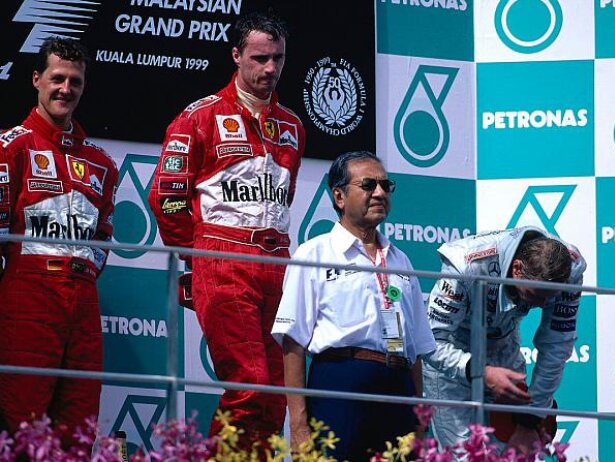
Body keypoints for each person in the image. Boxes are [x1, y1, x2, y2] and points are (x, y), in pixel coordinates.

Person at [147, 11, 305, 444]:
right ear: (236, 56)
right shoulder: (200, 117)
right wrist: (199, 257)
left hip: (278, 262)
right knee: (250, 383)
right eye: (259, 58)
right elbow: (166, 196)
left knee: (277, 396)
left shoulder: (292, 125)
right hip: (223, 257)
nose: (270, 69)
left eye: (278, 58)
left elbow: (283, 198)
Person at [272, 151, 436, 461]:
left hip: (397, 386)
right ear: (339, 196)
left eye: (386, 186)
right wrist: (298, 422)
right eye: (369, 185)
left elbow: (414, 349)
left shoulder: (402, 261)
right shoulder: (314, 254)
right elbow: (292, 342)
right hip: (340, 383)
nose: (379, 193)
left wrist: (419, 417)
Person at [0, 37, 118, 439]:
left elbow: (104, 234)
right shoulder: (11, 147)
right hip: (25, 301)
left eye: (75, 81)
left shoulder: (101, 164)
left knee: (78, 425)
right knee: (22, 425)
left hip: (83, 304)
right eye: (57, 78)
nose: (66, 89)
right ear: (36, 79)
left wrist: (79, 273)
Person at [422, 227, 586, 454]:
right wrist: (480, 371)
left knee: (512, 455)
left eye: (549, 298)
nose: (540, 305)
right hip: (453, 350)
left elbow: (557, 345)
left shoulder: (571, 270)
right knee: (463, 455)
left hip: (503, 347)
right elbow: (430, 341)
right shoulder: (465, 265)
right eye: (534, 295)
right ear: (517, 269)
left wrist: (531, 418)